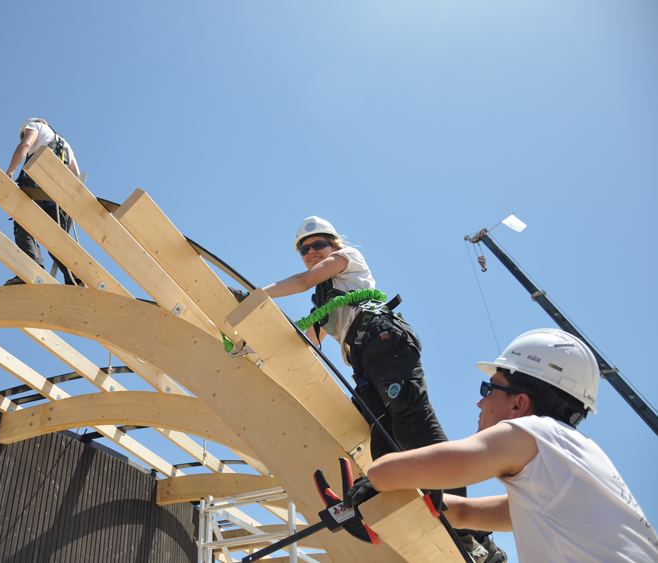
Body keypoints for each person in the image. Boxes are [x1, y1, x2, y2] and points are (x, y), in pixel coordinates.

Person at [262, 216, 504, 562]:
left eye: (319, 245)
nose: (312, 253)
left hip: (382, 339)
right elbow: (306, 343)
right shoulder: (323, 301)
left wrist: (257, 297)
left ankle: (468, 537)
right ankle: (456, 533)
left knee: (414, 426)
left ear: (334, 244)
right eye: (305, 249)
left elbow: (301, 281)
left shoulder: (347, 259)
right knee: (385, 446)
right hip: (365, 358)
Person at [347, 328, 658, 563]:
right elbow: (469, 513)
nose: (480, 401)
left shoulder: (534, 431)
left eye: (489, 388)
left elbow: (454, 464)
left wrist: (375, 478)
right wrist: (424, 507)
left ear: (519, 404)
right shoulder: (573, 463)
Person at [4, 118, 83, 286]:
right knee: (56, 240)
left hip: (35, 187)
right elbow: (76, 175)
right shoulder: (66, 145)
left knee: (25, 228)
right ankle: (75, 280)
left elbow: (25, 145)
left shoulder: (34, 127)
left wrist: (10, 171)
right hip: (57, 196)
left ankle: (32, 272)